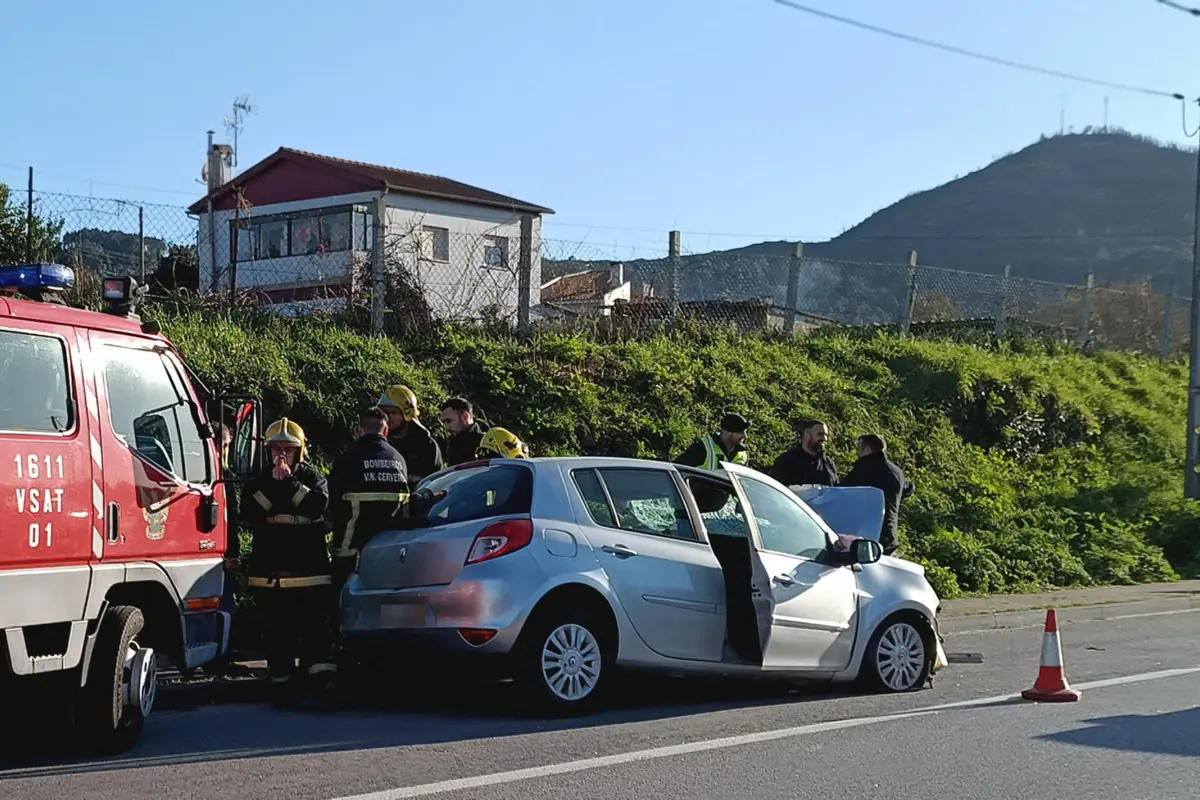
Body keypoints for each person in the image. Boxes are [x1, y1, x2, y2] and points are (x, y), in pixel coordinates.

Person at [240, 417, 336, 706]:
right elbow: (250, 513)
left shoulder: (313, 479)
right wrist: (279, 490)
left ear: (300, 451)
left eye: (288, 449)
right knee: (276, 634)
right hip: (269, 573)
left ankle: (321, 687)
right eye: (275, 449)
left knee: (315, 633)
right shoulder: (258, 481)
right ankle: (282, 687)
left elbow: (317, 507)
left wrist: (290, 485)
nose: (281, 455)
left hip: (310, 572)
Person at [327, 406, 411, 597]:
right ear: (386, 430)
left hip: (350, 550)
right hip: (389, 548)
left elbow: (332, 501)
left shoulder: (348, 458)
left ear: (360, 429)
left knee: (343, 599)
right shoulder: (399, 459)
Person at [840, 434, 914, 556]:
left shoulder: (864, 469)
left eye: (859, 448)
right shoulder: (896, 472)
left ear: (867, 449)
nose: (857, 452)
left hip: (869, 535)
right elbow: (909, 488)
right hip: (889, 534)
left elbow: (842, 491)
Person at [377, 384, 443, 486]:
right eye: (384, 412)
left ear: (407, 415)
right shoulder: (378, 444)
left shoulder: (426, 446)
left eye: (393, 412)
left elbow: (436, 482)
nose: (387, 417)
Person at [770, 419, 838, 487]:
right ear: (807, 434)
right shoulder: (786, 462)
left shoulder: (828, 464)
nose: (825, 438)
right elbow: (776, 489)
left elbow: (835, 489)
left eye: (826, 435)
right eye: (820, 434)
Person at [675, 413, 749, 470]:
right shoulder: (703, 448)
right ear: (728, 432)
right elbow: (677, 469)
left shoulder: (743, 454)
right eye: (740, 432)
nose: (745, 436)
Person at [438, 397, 487, 467]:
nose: (446, 427)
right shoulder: (452, 445)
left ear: (465, 417)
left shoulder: (487, 445)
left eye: (449, 421)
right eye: (444, 422)